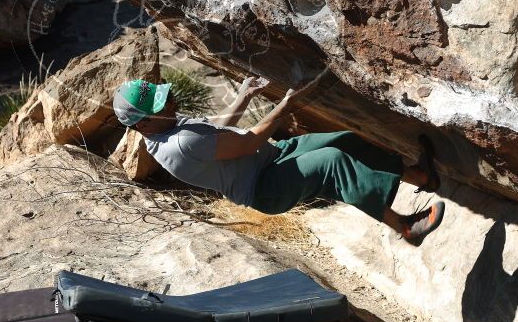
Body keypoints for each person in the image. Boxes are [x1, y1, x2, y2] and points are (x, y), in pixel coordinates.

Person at [112, 76, 445, 241]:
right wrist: (285, 106)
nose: (169, 104)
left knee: (342, 140)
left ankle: (418, 176)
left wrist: (244, 95)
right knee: (331, 161)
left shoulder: (166, 125)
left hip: (271, 157)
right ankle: (405, 227)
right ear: (141, 124)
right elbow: (248, 142)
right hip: (264, 186)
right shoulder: (179, 143)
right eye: (159, 106)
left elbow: (218, 129)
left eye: (164, 99)